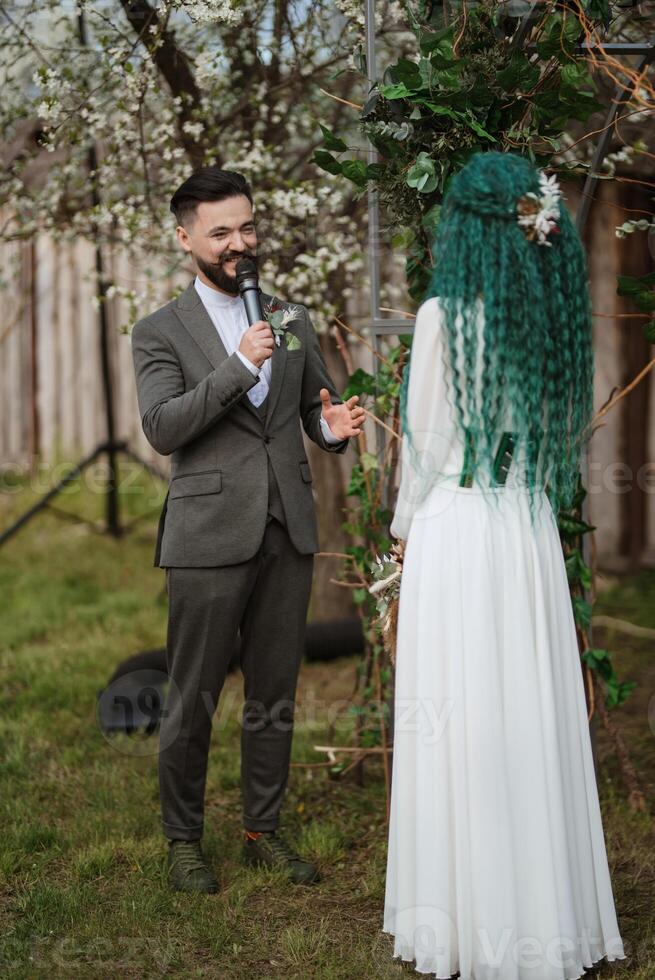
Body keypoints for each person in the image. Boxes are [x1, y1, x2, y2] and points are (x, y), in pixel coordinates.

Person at [383, 152, 626, 978]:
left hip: (455, 530)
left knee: (458, 716)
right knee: (524, 712)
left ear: (463, 230)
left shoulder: (439, 320)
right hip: (521, 537)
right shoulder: (547, 320)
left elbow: (422, 456)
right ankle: (541, 909)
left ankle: (466, 915)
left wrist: (400, 536)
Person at [130, 167, 365, 893]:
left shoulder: (291, 319)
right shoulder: (159, 331)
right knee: (194, 691)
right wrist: (237, 366)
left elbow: (308, 410)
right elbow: (164, 427)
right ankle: (183, 840)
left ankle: (263, 828)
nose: (240, 244)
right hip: (206, 533)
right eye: (221, 232)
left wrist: (329, 432)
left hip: (286, 528)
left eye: (248, 227)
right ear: (185, 238)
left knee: (273, 691)